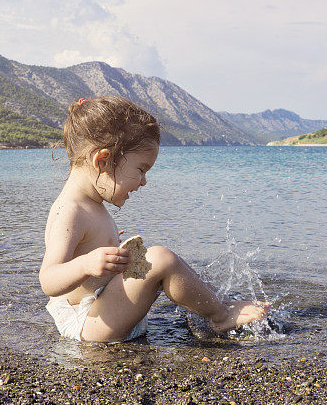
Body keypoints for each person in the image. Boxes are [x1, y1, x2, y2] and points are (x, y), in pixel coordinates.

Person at [39, 96, 270, 342]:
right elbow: (48, 279)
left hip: (100, 313)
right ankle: (221, 315)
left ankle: (216, 303)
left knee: (162, 263)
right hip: (88, 324)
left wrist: (108, 257)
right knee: (161, 259)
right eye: (141, 169)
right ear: (103, 161)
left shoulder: (92, 203)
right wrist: (87, 263)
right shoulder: (70, 210)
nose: (143, 181)